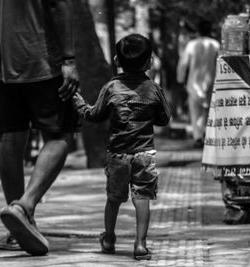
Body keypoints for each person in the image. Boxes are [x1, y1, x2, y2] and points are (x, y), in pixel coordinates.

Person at [0, 0, 80, 256]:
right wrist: (69, 58)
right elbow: (58, 4)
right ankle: (24, 207)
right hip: (43, 59)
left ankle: (19, 228)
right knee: (60, 136)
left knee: (10, 137)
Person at [71, 34, 171, 260]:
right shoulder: (153, 89)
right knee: (142, 196)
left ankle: (108, 239)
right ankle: (140, 244)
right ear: (150, 63)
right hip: (145, 154)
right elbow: (165, 119)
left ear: (116, 60)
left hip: (118, 155)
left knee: (114, 198)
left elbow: (94, 115)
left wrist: (79, 104)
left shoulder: (111, 88)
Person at [177, 19, 220, 148]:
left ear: (198, 30)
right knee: (207, 111)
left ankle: (197, 137)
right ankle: (206, 134)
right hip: (211, 82)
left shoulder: (191, 45)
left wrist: (180, 78)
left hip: (193, 83)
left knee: (195, 111)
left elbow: (183, 63)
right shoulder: (215, 45)